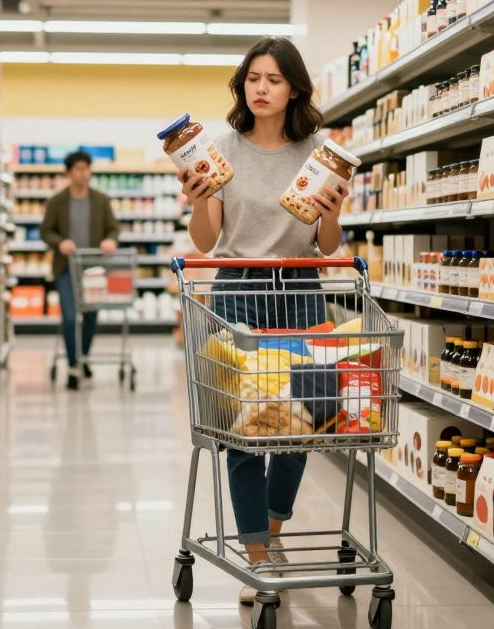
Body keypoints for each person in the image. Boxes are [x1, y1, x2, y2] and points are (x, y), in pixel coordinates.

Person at [179, 36, 349, 605]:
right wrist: (200, 198)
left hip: (301, 290)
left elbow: (326, 248)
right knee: (243, 429)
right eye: (253, 77)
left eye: (273, 79)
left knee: (301, 423)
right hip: (237, 291)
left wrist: (334, 213)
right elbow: (206, 242)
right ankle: (256, 555)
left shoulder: (320, 151)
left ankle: (272, 530)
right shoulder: (219, 147)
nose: (261, 88)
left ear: (294, 87)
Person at [39, 150, 119, 390]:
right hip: (66, 267)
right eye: (79, 169)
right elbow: (46, 231)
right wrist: (59, 242)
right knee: (70, 317)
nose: (84, 174)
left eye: (87, 169)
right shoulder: (57, 201)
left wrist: (110, 240)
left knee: (92, 316)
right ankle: (74, 366)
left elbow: (113, 229)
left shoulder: (101, 200)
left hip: (94, 268)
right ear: (69, 172)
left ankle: (82, 357)